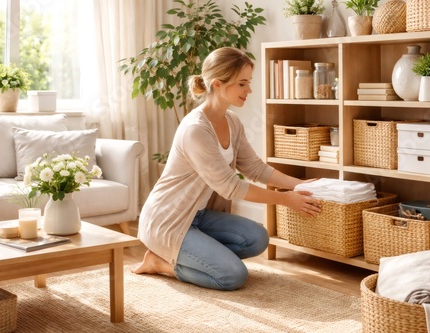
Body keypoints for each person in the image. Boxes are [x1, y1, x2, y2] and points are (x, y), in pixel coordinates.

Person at [133, 47, 321, 291]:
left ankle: (199, 254)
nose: (249, 90)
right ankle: (160, 263)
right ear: (218, 84)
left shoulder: (232, 121)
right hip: (169, 220)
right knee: (232, 276)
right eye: (242, 84)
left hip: (198, 216)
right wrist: (286, 200)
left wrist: (299, 185)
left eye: (248, 83)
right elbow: (231, 187)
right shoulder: (196, 130)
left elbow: (254, 167)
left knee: (257, 238)